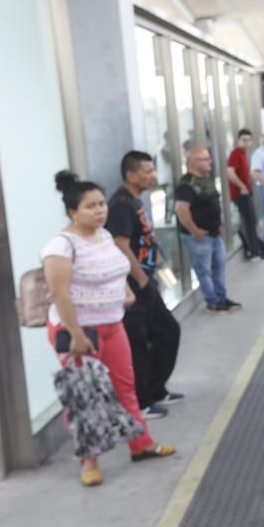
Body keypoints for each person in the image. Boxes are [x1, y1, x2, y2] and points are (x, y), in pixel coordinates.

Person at [43, 170, 176, 486]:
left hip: (112, 324)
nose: (100, 210)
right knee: (84, 395)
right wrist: (75, 334)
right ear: (73, 211)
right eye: (90, 206)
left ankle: (141, 444)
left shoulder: (102, 235)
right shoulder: (60, 246)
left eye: (101, 203)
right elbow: (60, 294)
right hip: (79, 331)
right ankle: (88, 461)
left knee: (125, 388)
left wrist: (126, 294)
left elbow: (117, 269)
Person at [106, 151, 183, 420]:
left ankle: (155, 389)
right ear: (131, 174)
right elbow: (120, 244)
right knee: (138, 340)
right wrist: (139, 278)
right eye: (148, 171)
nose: (153, 176)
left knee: (166, 332)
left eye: (153, 171)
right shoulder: (121, 205)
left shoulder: (135, 201)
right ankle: (142, 400)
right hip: (133, 284)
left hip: (146, 279)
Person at [175, 147, 242, 313]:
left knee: (219, 267)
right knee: (204, 270)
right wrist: (194, 230)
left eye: (209, 158)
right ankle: (212, 301)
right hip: (199, 237)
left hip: (213, 233)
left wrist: (217, 225)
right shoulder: (186, 184)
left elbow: (212, 203)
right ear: (192, 163)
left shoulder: (206, 179)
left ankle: (221, 297)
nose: (210, 162)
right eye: (205, 159)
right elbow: (181, 209)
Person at [227, 128, 264, 261]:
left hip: (245, 193)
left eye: (248, 140)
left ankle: (256, 248)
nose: (246, 143)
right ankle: (254, 251)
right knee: (249, 223)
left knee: (251, 221)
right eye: (243, 140)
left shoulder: (243, 154)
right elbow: (230, 173)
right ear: (238, 140)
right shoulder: (235, 154)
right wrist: (242, 186)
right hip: (241, 194)